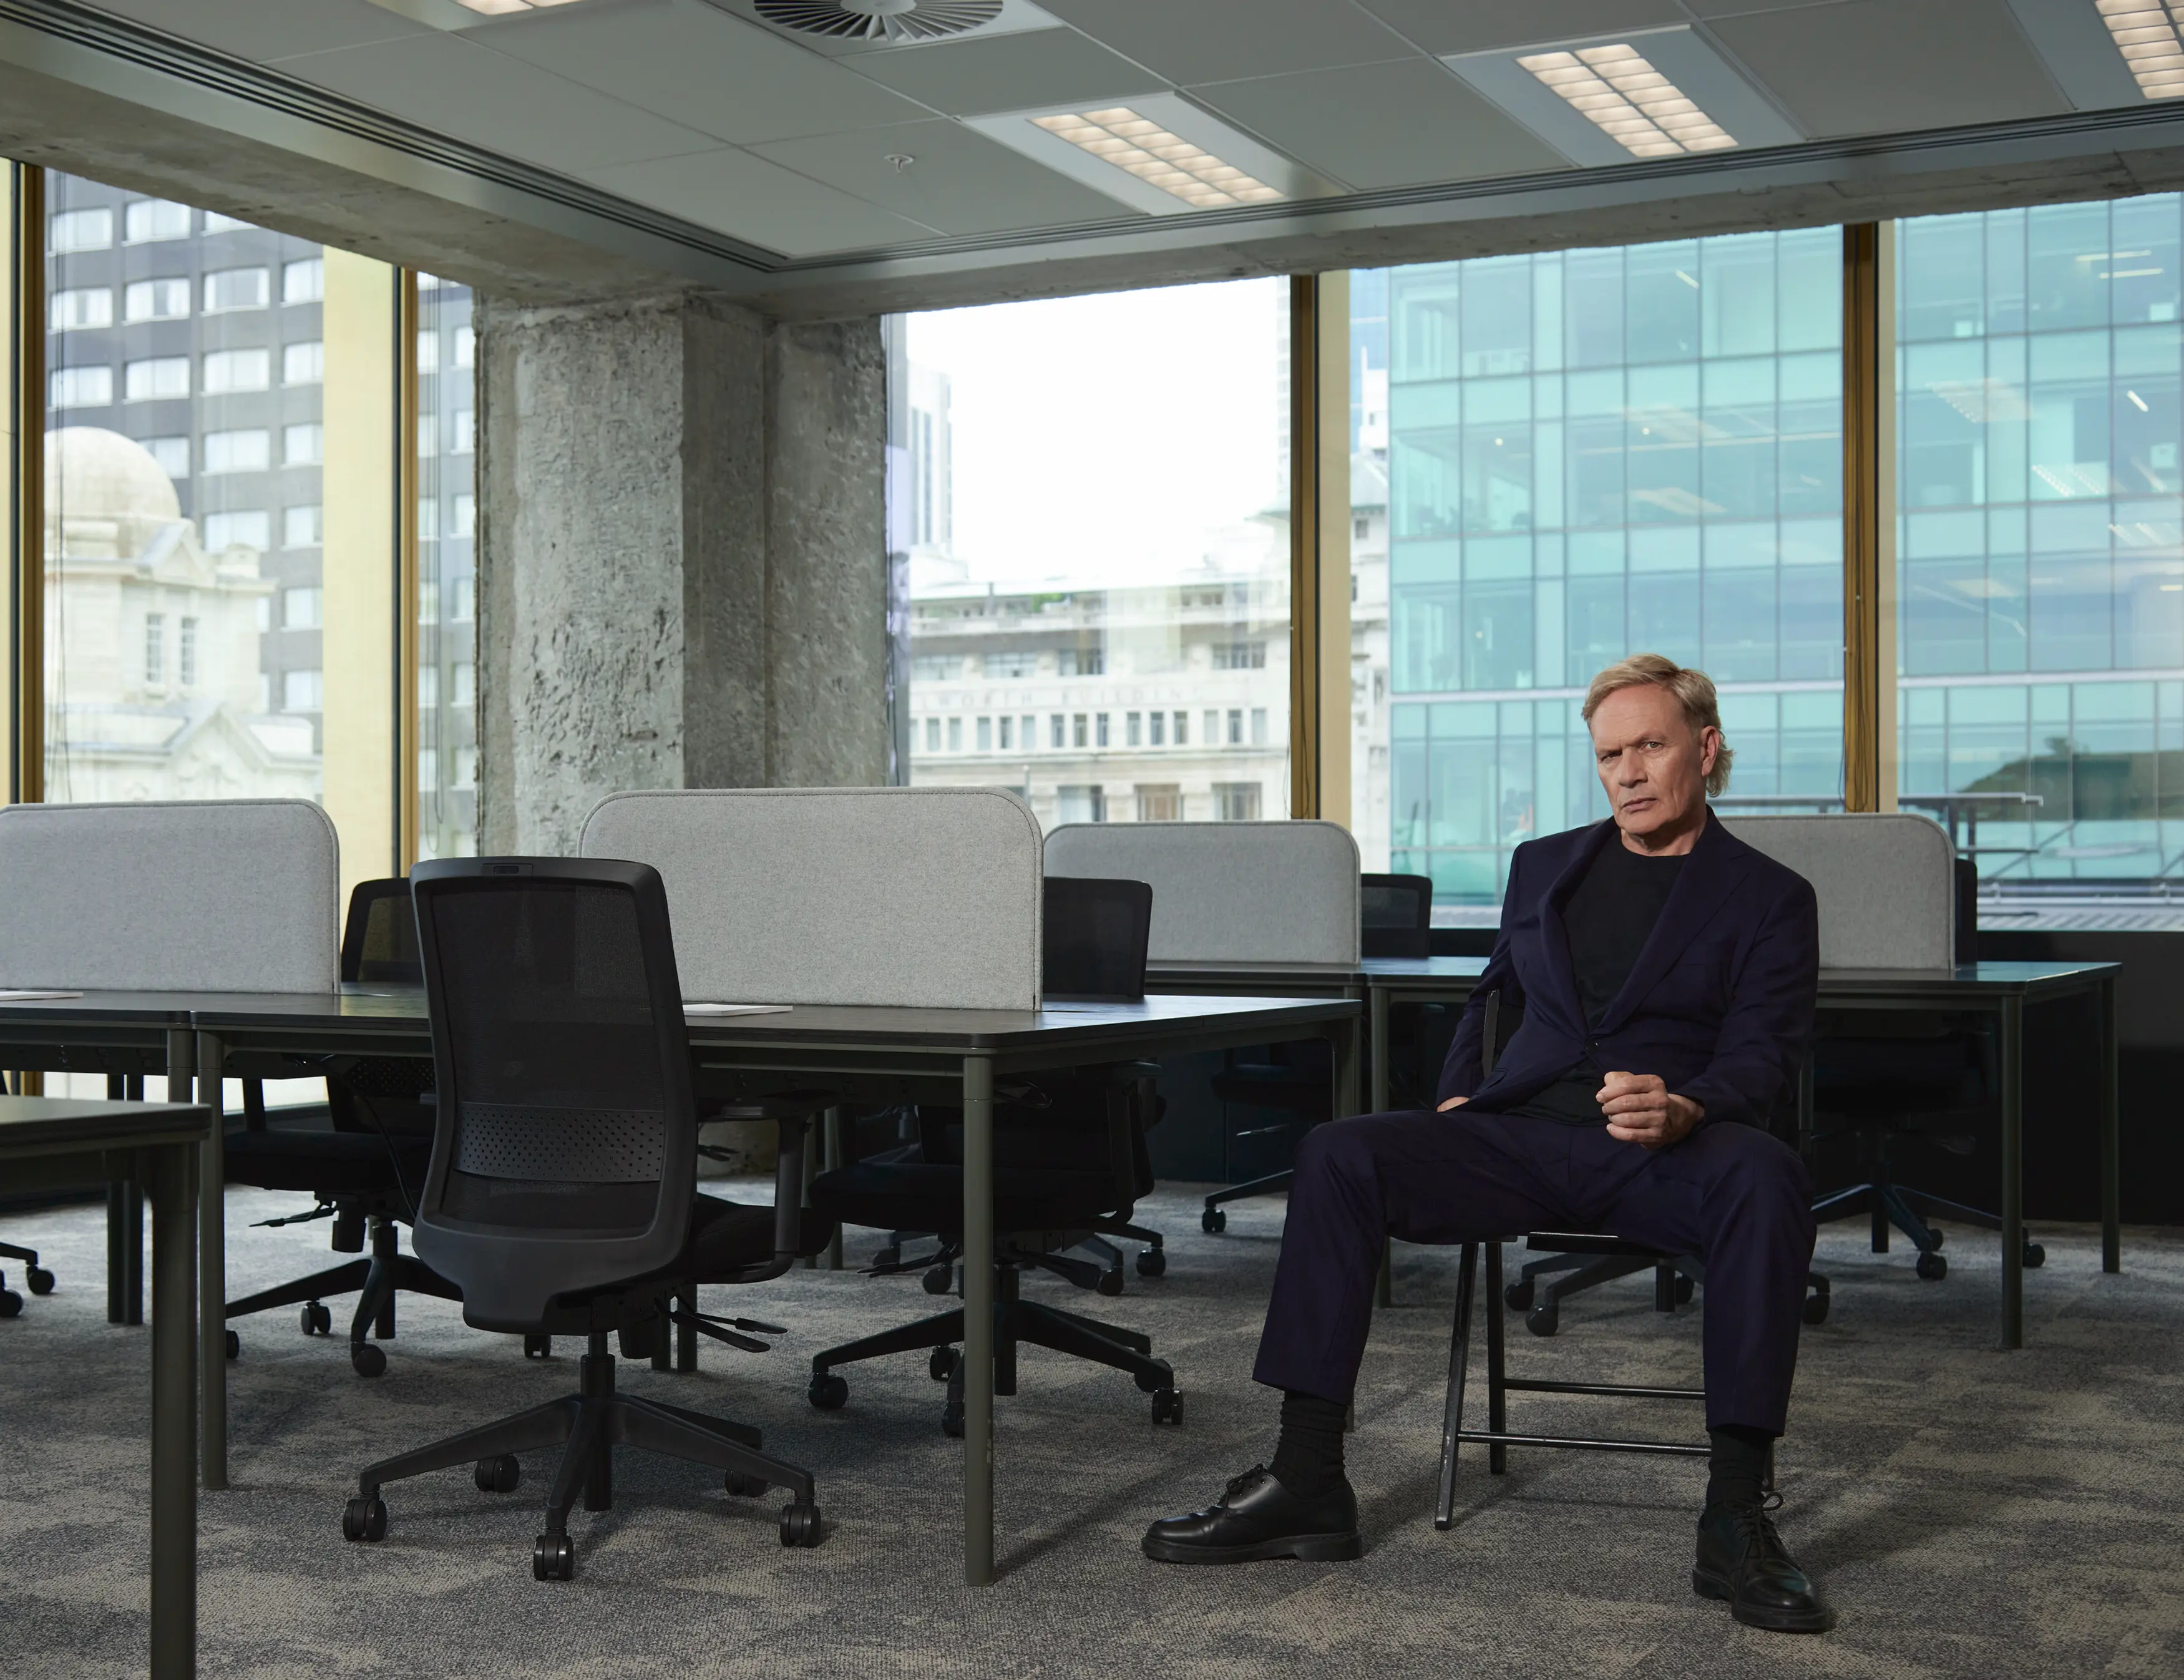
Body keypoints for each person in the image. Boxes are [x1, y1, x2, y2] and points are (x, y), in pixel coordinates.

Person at [1143, 653, 1834, 1634]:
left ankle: (1734, 1519)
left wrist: (1687, 1105)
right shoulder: (1546, 865)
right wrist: (1461, 1091)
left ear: (1705, 749)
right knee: (1340, 1152)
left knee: (1769, 1177)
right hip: (1516, 1135)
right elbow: (1493, 995)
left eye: (1650, 746)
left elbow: (1766, 1057)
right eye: (1609, 755)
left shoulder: (1771, 896)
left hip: (1662, 1150)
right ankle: (1305, 1481)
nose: (1629, 772)